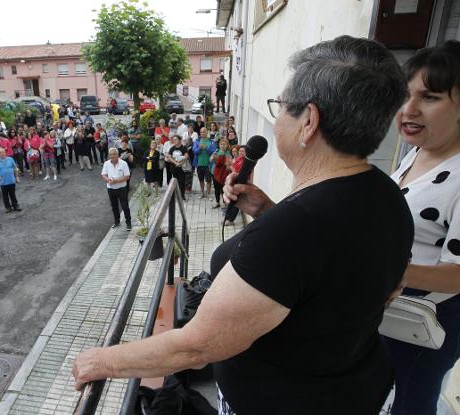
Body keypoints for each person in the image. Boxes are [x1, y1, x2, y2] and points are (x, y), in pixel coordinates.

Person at [73, 36, 414, 415]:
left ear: (309, 122)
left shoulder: (293, 230)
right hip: (362, 388)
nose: (277, 117)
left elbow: (197, 346)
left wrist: (103, 362)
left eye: (281, 107)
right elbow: (338, 270)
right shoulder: (387, 193)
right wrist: (268, 210)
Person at [384, 41, 460, 415]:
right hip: (391, 309)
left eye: (429, 97)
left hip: (427, 323)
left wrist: (392, 271)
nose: (409, 110)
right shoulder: (417, 151)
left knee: (410, 405)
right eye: (406, 95)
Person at [102, 147, 131, 230]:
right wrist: (108, 180)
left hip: (122, 188)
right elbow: (103, 174)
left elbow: (127, 176)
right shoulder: (106, 163)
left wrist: (116, 180)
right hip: (111, 188)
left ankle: (128, 223)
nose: (112, 156)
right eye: (110, 154)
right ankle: (117, 221)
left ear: (117, 155)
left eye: (114, 154)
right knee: (114, 206)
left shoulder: (123, 163)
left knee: (125, 206)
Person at [0, 148, 21, 213]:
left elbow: (15, 168)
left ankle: (15, 206)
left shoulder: (10, 159)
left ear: (5, 152)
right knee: (5, 196)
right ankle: (8, 207)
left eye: (3, 152)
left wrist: (17, 177)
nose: (2, 154)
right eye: (0, 152)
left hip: (11, 180)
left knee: (13, 194)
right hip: (3, 182)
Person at [210, 138, 232, 210]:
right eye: (221, 144)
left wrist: (220, 159)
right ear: (219, 145)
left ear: (227, 145)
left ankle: (224, 203)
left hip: (224, 174)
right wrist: (213, 157)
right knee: (216, 188)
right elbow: (210, 160)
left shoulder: (228, 153)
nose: (222, 146)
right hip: (214, 172)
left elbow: (228, 164)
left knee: (223, 189)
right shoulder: (216, 151)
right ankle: (217, 202)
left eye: (224, 144)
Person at [193, 127, 215, 198]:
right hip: (199, 164)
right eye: (201, 132)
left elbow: (213, 152)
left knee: (208, 180)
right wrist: (199, 148)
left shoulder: (211, 141)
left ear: (207, 132)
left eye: (204, 132)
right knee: (201, 179)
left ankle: (208, 194)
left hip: (208, 165)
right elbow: (194, 151)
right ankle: (202, 193)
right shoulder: (197, 141)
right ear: (200, 133)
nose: (203, 133)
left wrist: (206, 148)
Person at [165, 135, 189, 200]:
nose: (174, 141)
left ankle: (182, 195)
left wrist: (181, 163)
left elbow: (186, 156)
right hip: (174, 168)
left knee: (182, 182)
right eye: (173, 139)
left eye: (175, 139)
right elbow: (169, 156)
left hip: (182, 168)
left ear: (179, 140)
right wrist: (175, 163)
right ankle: (176, 195)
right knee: (176, 182)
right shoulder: (172, 148)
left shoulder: (183, 148)